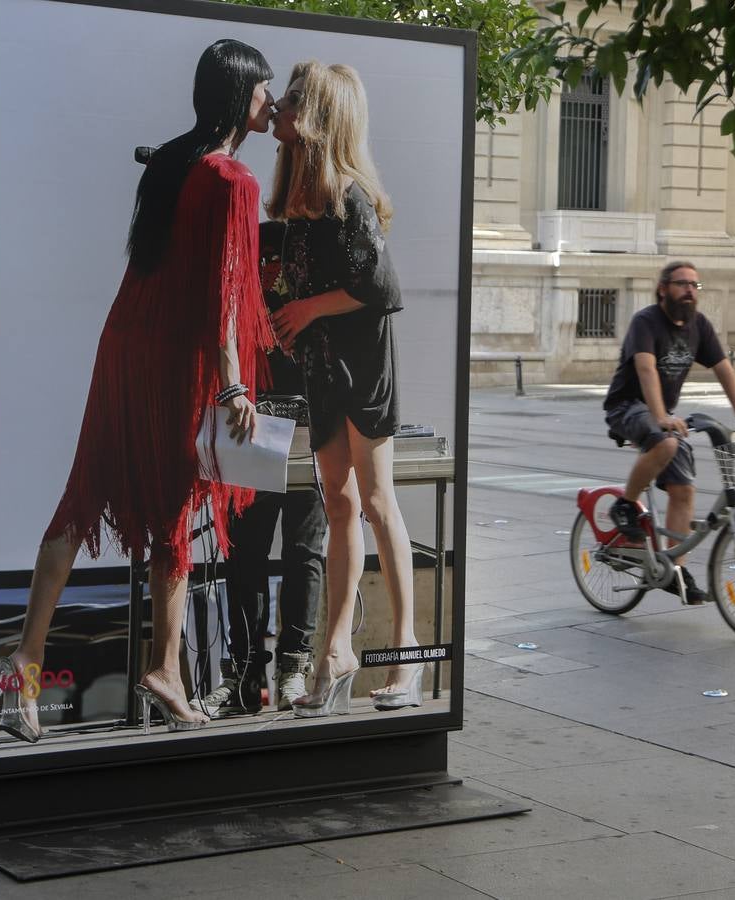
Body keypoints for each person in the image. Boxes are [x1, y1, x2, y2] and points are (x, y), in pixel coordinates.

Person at [0, 40, 276, 743]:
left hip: (124, 345)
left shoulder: (171, 164)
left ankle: (21, 672)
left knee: (81, 499)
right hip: (177, 358)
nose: (272, 100)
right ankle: (163, 670)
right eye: (265, 89)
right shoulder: (233, 181)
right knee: (172, 513)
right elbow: (224, 288)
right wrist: (234, 383)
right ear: (241, 96)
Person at [267, 61, 422, 718]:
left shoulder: (347, 195)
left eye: (294, 97)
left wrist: (303, 312)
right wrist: (287, 316)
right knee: (337, 504)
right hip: (324, 366)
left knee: (377, 503)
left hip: (361, 366)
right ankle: (336, 652)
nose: (279, 104)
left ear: (319, 113)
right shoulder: (299, 198)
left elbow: (381, 291)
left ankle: (405, 650)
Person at [202, 221, 326, 717]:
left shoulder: (327, 242)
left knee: (304, 551)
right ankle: (245, 675)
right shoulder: (248, 238)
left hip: (312, 417)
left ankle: (293, 666)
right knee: (246, 554)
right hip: (250, 416)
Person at [603, 261, 735, 603]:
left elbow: (724, 369)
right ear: (663, 289)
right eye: (682, 284)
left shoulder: (698, 325)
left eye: (694, 285)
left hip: (661, 414)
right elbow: (645, 368)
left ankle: (677, 569)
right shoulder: (646, 321)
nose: (689, 290)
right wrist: (659, 416)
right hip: (626, 406)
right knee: (667, 443)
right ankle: (625, 505)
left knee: (684, 489)